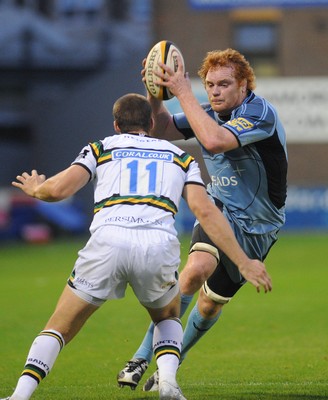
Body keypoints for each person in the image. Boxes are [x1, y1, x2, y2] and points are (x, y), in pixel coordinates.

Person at [2, 93, 271, 400]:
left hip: (107, 241)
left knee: (60, 327)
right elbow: (206, 212)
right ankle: (168, 384)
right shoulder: (180, 157)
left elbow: (59, 189)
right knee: (168, 317)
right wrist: (243, 261)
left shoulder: (100, 148)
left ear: (116, 125)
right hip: (157, 244)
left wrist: (37, 188)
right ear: (152, 123)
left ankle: (20, 396)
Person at [117, 49, 287, 392]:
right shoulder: (208, 112)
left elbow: (213, 140)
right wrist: (156, 88)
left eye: (224, 84)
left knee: (209, 304)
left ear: (243, 85)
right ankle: (139, 357)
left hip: (260, 226)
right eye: (209, 84)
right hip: (220, 209)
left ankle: (173, 358)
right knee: (194, 270)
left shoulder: (259, 112)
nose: (215, 91)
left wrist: (182, 91)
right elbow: (161, 128)